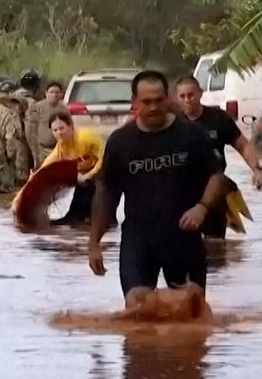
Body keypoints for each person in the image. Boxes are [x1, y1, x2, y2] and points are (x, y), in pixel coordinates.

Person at [87, 70, 229, 295]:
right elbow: (107, 193)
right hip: (138, 241)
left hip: (184, 238)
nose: (153, 107)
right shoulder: (120, 141)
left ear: (168, 99)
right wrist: (94, 242)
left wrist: (202, 207)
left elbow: (217, 176)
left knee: (188, 310)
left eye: (158, 100)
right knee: (137, 306)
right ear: (134, 101)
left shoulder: (191, 134)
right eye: (146, 101)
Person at [174, 76, 262, 239]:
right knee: (182, 244)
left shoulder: (218, 118)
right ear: (176, 97)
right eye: (182, 96)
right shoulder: (172, 121)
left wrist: (257, 169)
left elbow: (243, 145)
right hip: (181, 193)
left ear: (200, 93)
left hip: (214, 191)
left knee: (216, 245)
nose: (187, 100)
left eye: (191, 95)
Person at [37, 111, 105, 225]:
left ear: (71, 126)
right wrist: (34, 178)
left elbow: (103, 159)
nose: (59, 133)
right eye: (55, 130)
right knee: (80, 189)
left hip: (104, 169)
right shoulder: (61, 146)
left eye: (61, 128)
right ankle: (76, 217)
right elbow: (48, 164)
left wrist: (88, 176)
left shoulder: (85, 137)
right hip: (85, 172)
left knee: (94, 189)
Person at [26, 81, 66, 165]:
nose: (54, 95)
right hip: (42, 149)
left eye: (57, 92)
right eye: (51, 92)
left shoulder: (64, 108)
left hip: (60, 148)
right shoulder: (38, 107)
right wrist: (35, 150)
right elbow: (31, 129)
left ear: (61, 94)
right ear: (46, 93)